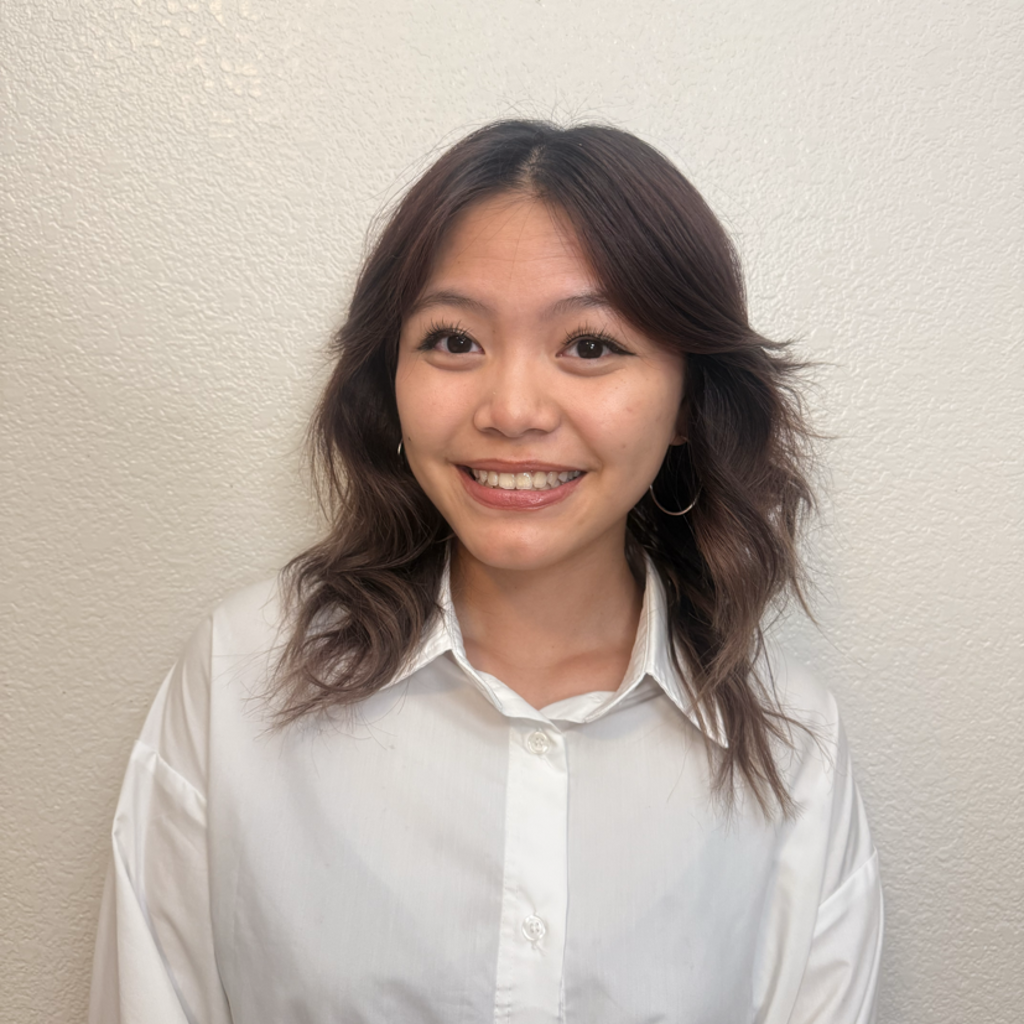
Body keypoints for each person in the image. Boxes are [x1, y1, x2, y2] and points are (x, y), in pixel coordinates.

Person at [89, 120, 883, 1023]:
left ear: (686, 404)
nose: (511, 410)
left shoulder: (794, 751)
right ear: (389, 377)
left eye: (590, 345)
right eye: (454, 340)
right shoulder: (241, 678)